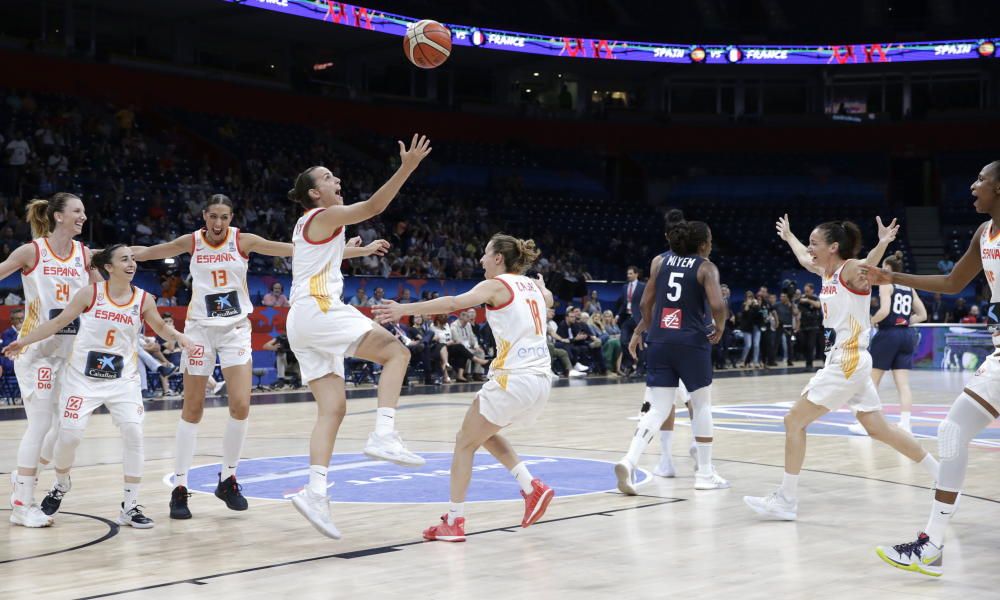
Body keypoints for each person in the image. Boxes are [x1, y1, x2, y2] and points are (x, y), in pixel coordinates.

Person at [131, 194, 360, 520]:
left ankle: (228, 479)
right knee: (192, 408)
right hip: (199, 331)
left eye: (224, 217)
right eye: (213, 217)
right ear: (204, 216)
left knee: (240, 405)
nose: (218, 223)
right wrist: (104, 255)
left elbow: (298, 249)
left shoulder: (244, 240)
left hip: (235, 329)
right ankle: (180, 488)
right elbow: (149, 252)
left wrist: (353, 250)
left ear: (232, 217)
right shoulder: (192, 241)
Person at [744, 215, 939, 522]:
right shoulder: (825, 272)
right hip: (849, 360)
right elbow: (801, 256)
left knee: (793, 421)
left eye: (814, 243)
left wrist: (883, 242)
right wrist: (789, 236)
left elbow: (867, 265)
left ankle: (786, 499)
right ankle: (941, 475)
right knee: (879, 428)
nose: (810, 248)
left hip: (847, 359)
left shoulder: (849, 270)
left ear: (833, 246)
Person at [284, 135, 431, 538]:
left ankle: (315, 493)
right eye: (329, 178)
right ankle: (384, 434)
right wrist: (407, 167)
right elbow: (374, 207)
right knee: (397, 353)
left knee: (333, 409)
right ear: (315, 193)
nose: (337, 180)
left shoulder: (310, 226)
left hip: (302, 320)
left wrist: (354, 252)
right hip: (319, 309)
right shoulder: (322, 216)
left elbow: (312, 259)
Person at [373, 234, 556, 541]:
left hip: (515, 377)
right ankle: (531, 487)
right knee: (483, 433)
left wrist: (405, 309)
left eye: (485, 253)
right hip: (541, 381)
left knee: (464, 442)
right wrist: (543, 287)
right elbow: (548, 299)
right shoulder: (532, 288)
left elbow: (454, 303)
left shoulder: (497, 285)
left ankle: (454, 522)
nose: (481, 259)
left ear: (498, 258)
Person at [869, 161, 1000, 576]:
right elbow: (952, 284)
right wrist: (889, 274)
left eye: (982, 179)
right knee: (952, 429)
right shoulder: (984, 233)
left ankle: (931, 544)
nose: (973, 185)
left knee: (952, 429)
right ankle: (932, 544)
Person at [3, 245, 194, 528]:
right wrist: (24, 340)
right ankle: (61, 483)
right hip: (82, 379)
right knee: (68, 436)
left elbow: (161, 328)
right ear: (109, 267)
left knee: (133, 432)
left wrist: (180, 336)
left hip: (122, 380)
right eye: (124, 259)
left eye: (132, 259)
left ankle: (129, 507)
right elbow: (57, 322)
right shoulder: (89, 294)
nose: (131, 264)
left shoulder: (143, 299)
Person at [0, 194, 96, 528]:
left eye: (84, 211)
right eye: (77, 211)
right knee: (40, 424)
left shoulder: (84, 256)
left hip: (71, 354)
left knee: (65, 428)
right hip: (35, 351)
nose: (83, 216)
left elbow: (104, 293)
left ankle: (23, 476)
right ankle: (21, 503)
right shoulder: (32, 251)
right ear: (58, 216)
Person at [615, 218, 730, 493]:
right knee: (701, 405)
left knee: (657, 407)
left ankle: (629, 461)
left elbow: (645, 302)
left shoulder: (660, 263)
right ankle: (704, 473)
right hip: (691, 341)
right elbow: (717, 305)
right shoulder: (706, 267)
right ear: (702, 244)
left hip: (660, 340)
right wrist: (721, 326)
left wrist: (650, 326)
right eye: (710, 240)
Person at [848, 251, 927, 436]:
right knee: (903, 384)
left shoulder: (886, 284)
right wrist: (905, 321)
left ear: (888, 268)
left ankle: (866, 424)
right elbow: (923, 315)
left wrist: (871, 321)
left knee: (872, 381)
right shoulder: (909, 288)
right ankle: (906, 424)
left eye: (882, 267)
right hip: (907, 335)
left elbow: (884, 311)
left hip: (888, 334)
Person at [618, 266, 645, 375]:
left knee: (640, 344)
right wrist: (617, 315)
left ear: (636, 274)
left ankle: (640, 368)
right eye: (627, 274)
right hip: (627, 317)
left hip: (638, 318)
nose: (628, 275)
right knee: (623, 341)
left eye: (630, 273)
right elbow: (624, 303)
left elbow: (646, 303)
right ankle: (630, 363)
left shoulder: (643, 286)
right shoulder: (625, 287)